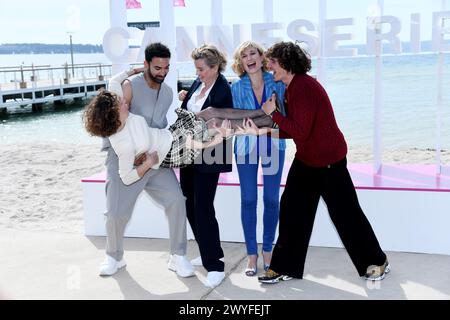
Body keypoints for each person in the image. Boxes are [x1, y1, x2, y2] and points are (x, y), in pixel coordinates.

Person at [257, 41, 389, 284]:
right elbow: (297, 131)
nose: (269, 67)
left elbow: (301, 130)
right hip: (307, 159)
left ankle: (377, 261)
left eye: (272, 62)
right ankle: (284, 266)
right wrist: (266, 131)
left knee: (346, 215)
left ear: (286, 63)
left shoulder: (304, 87)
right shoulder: (291, 86)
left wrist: (271, 114)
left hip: (329, 161)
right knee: (292, 211)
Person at [95, 42, 195, 278]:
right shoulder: (129, 87)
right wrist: (128, 153)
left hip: (156, 160)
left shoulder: (169, 93)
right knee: (117, 213)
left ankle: (178, 256)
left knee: (176, 200)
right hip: (125, 159)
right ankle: (114, 256)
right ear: (146, 64)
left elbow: (160, 126)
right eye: (158, 67)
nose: (162, 72)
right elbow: (112, 120)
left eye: (166, 67)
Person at [177, 44, 235, 288]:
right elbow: (188, 111)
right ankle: (206, 249)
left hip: (209, 156)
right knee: (189, 204)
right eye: (196, 69)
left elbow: (221, 127)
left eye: (201, 69)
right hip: (188, 153)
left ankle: (215, 264)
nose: (198, 73)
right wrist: (185, 100)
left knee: (203, 208)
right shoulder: (198, 84)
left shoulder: (222, 90)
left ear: (214, 68)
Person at [230, 41, 286, 277]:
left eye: (253, 53)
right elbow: (232, 121)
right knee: (249, 199)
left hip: (273, 144)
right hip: (245, 147)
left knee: (272, 199)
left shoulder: (277, 82)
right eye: (244, 56)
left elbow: (284, 113)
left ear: (262, 57)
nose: (249, 58)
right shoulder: (236, 87)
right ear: (240, 63)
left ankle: (268, 251)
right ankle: (252, 254)